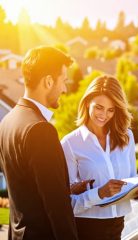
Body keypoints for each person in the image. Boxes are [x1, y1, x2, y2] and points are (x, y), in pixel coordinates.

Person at [0, 46, 79, 239]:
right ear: (49, 81)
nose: (65, 89)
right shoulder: (40, 130)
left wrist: (65, 187)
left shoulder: (7, 122)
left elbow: (23, 190)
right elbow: (57, 208)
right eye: (64, 81)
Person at [61, 75, 138, 240]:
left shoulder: (126, 137)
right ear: (87, 102)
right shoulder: (70, 143)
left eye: (111, 110)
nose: (104, 115)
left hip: (118, 225)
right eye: (99, 107)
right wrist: (99, 193)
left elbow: (130, 180)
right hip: (87, 229)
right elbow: (65, 204)